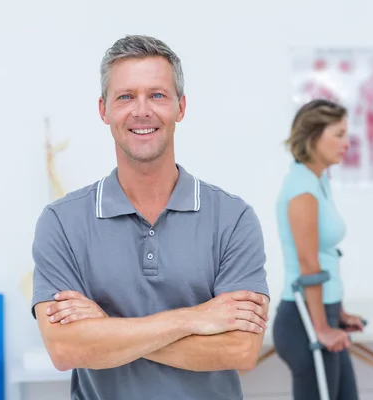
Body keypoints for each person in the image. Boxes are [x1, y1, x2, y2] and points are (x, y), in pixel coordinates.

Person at [30, 34, 270, 400]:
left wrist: (105, 331)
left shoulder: (233, 218)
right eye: (126, 96)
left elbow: (240, 350)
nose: (142, 110)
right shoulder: (61, 222)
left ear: (181, 106)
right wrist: (192, 319)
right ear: (103, 109)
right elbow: (66, 350)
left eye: (157, 95)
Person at [272, 99, 364, 400]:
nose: (346, 143)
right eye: (338, 134)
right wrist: (321, 327)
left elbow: (326, 255)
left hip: (324, 313)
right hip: (304, 321)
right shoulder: (302, 187)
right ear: (313, 136)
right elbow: (308, 262)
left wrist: (340, 312)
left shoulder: (317, 180)